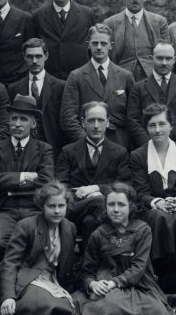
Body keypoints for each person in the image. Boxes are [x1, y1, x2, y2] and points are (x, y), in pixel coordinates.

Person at [0, 182, 78, 315]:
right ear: (42, 206)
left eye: (61, 206)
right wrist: (8, 296)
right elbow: (10, 263)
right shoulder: (26, 225)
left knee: (67, 306)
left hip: (51, 279)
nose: (57, 211)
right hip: (23, 277)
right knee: (49, 304)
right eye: (51, 206)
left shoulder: (69, 227)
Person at [73, 183, 176, 315]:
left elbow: (138, 269)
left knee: (147, 308)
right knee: (87, 302)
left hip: (138, 285)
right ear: (105, 206)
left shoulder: (142, 230)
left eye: (121, 205)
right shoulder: (99, 234)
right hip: (105, 283)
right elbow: (87, 270)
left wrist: (114, 283)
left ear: (130, 206)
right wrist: (92, 284)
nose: (115, 209)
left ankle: (104, 313)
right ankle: (104, 311)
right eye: (111, 204)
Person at [129, 103, 176, 292]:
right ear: (146, 128)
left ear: (171, 125)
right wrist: (157, 202)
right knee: (158, 217)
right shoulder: (138, 156)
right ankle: (161, 276)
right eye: (152, 125)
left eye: (162, 124)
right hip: (151, 210)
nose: (157, 129)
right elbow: (140, 193)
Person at [0, 95, 56, 256]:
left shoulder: (44, 149)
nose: (17, 124)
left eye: (23, 119)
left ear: (33, 123)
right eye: (14, 118)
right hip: (4, 208)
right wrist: (24, 176)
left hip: (33, 208)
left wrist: (7, 181)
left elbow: (46, 181)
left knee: (38, 243)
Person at [55, 101, 133, 241]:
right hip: (75, 209)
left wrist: (95, 188)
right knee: (98, 202)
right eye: (91, 120)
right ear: (83, 122)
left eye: (101, 120)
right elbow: (61, 187)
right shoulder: (68, 151)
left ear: (108, 122)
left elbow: (125, 186)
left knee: (90, 222)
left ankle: (89, 262)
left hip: (102, 210)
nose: (96, 126)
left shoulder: (120, 152)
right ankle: (120, 245)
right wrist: (83, 196)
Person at [60, 23, 135, 149]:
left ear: (111, 46)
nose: (99, 47)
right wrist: (88, 142)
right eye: (95, 43)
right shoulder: (76, 76)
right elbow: (68, 117)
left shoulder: (125, 76)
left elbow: (133, 115)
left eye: (103, 43)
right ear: (88, 44)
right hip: (86, 146)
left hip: (119, 145)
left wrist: (124, 142)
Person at [128, 41, 176, 149]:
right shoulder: (138, 88)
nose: (164, 63)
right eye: (160, 58)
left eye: (168, 58)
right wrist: (148, 145)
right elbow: (132, 120)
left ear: (175, 60)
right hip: (147, 150)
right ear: (152, 58)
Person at [103, 0, 171, 82]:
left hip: (152, 79)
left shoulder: (159, 22)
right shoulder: (110, 23)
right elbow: (107, 57)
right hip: (120, 79)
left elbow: (166, 55)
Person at [31, 0, 96, 79]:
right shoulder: (38, 16)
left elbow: (92, 47)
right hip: (50, 79)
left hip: (81, 78)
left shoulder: (87, 14)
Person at [6, 38, 66, 154]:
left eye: (38, 56)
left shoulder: (60, 86)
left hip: (53, 147)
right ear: (24, 57)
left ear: (46, 56)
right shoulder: (14, 88)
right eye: (30, 57)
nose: (34, 61)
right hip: (23, 149)